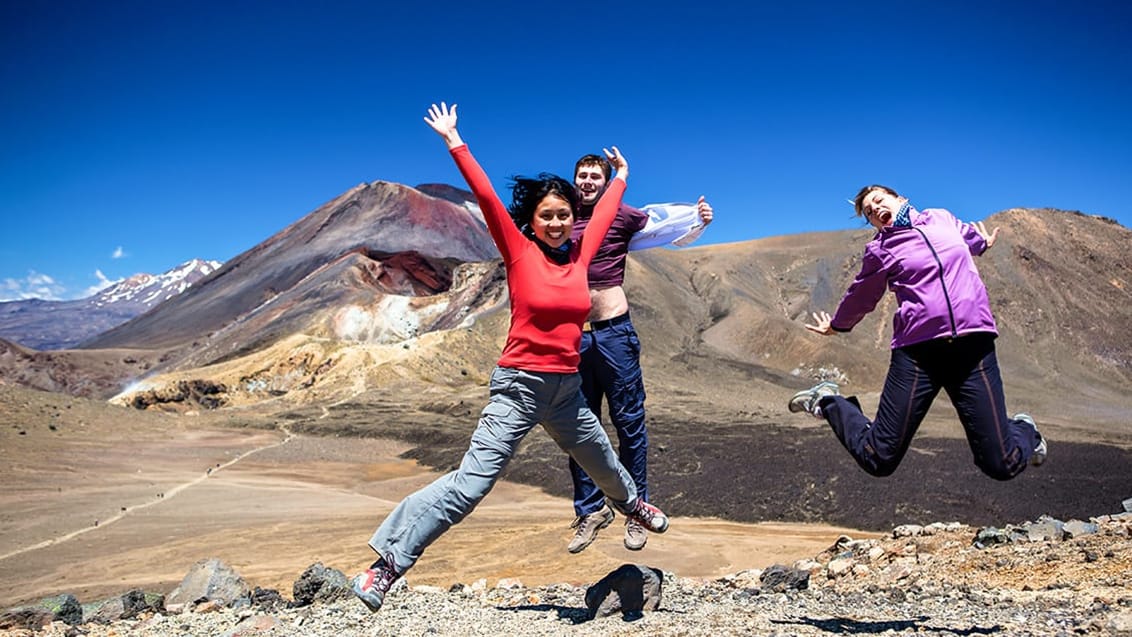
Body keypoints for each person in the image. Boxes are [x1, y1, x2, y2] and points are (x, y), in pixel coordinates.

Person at [351, 102, 670, 613]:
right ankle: (385, 566)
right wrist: (455, 141)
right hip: (519, 390)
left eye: (565, 215)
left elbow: (606, 213)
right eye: (547, 215)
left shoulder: (580, 257)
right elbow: (483, 193)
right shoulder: (519, 252)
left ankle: (633, 506)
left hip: (565, 391)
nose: (557, 222)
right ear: (533, 220)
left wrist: (622, 179)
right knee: (469, 486)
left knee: (604, 461)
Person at [788, 184, 1047, 481]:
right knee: (878, 458)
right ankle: (827, 401)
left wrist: (982, 244)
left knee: (1003, 464)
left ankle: (1027, 430)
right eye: (869, 213)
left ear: (900, 199)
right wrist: (837, 325)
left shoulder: (941, 218)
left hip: (974, 348)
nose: (875, 211)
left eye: (878, 201)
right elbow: (862, 294)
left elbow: (966, 237)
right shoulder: (880, 249)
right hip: (918, 355)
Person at [566, 154, 714, 553]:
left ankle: (636, 511)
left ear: (605, 179)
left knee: (629, 423)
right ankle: (589, 511)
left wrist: (698, 221)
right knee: (579, 427)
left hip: (614, 333)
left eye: (595, 176)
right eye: (582, 175)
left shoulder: (622, 214)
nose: (588, 181)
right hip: (573, 336)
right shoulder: (563, 213)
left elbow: (665, 230)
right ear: (574, 178)